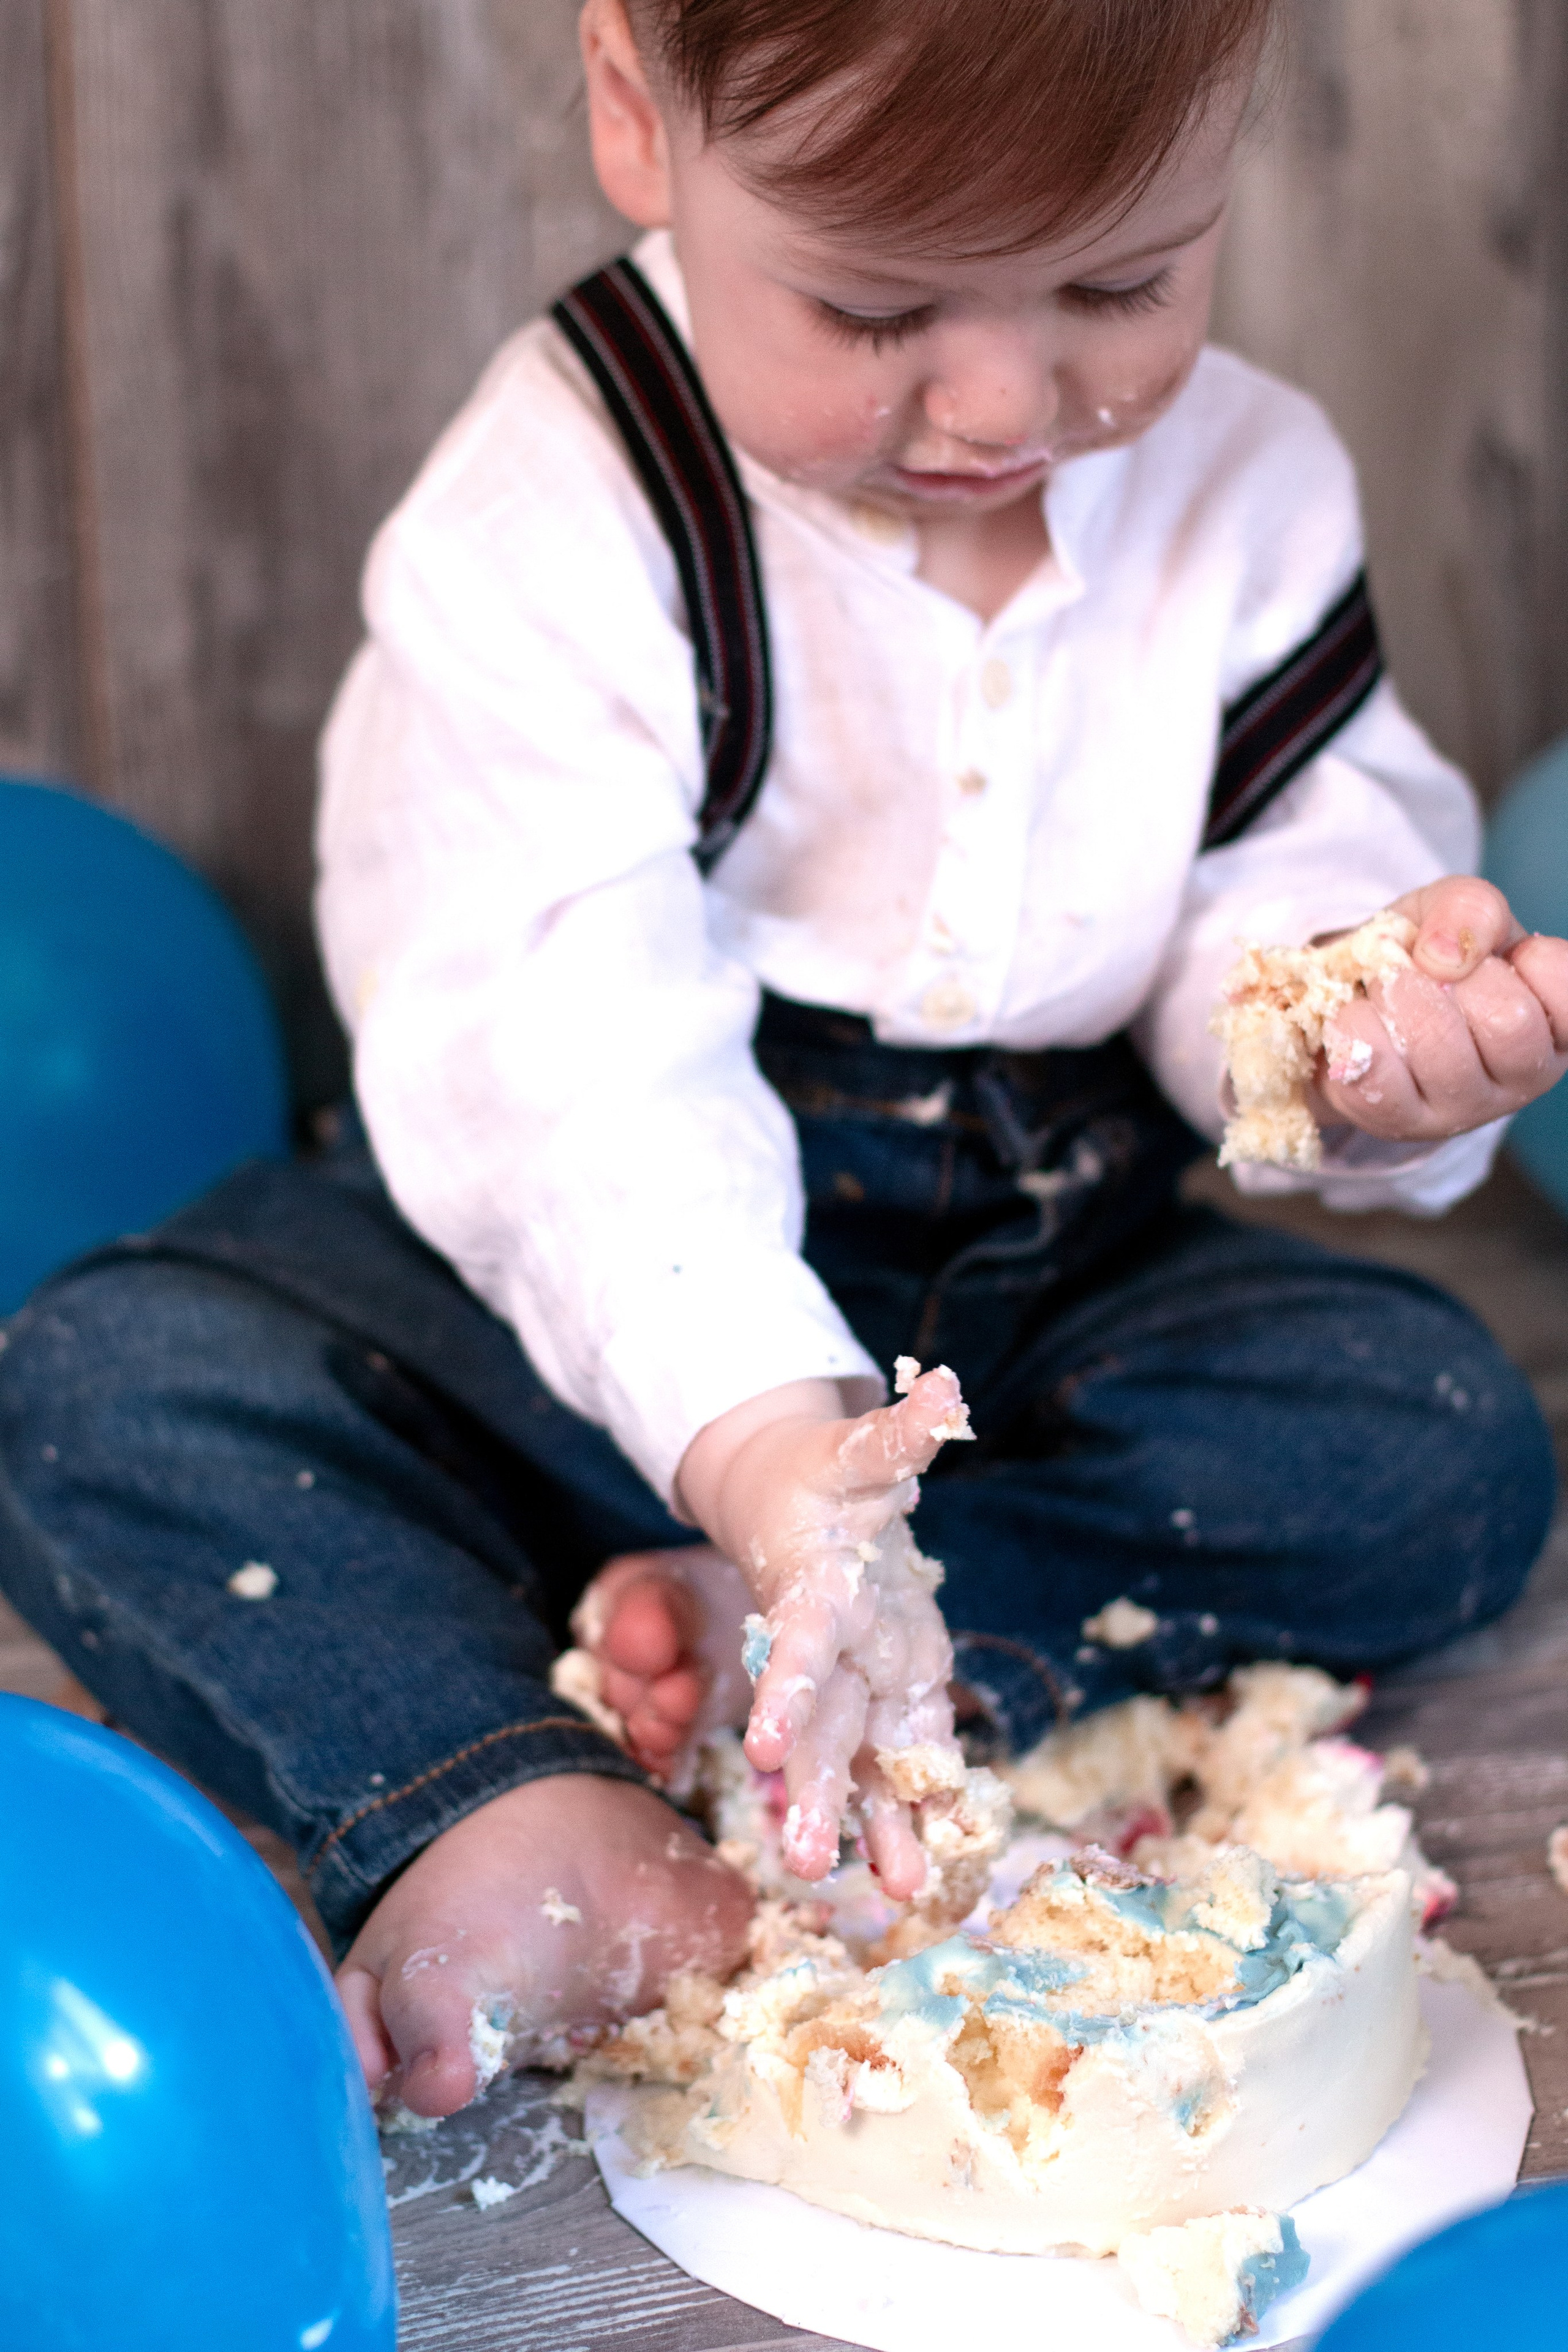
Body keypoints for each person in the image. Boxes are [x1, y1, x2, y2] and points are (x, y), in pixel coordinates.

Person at [2, 0, 1563, 2120]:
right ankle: (499, 1779)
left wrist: (1344, 1033)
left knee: (1432, 1438)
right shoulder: (570, 500)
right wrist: (764, 1455)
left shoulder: (1246, 492)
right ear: (641, 115)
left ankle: (804, 1637)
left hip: (1023, 1314)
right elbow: (559, 1054)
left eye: (1124, 277)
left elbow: (1266, 887)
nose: (1009, 396)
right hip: (566, 1279)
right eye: (879, 299)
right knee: (109, 1383)